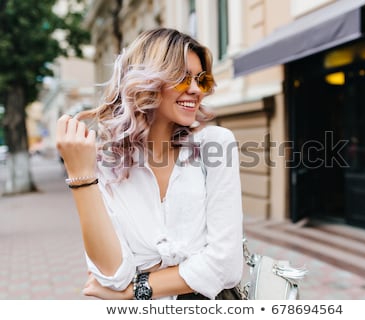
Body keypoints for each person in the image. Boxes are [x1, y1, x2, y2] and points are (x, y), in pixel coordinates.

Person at [56, 28, 243, 300]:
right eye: (181, 78)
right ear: (146, 82)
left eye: (200, 79)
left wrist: (136, 288)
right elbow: (112, 276)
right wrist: (81, 176)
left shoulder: (215, 146)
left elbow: (225, 265)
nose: (194, 89)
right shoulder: (106, 165)